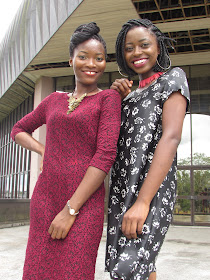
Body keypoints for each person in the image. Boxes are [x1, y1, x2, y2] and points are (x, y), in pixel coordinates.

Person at [11, 22, 121, 280]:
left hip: (84, 205)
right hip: (45, 198)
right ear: (71, 59)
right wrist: (43, 149)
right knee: (38, 271)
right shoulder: (53, 101)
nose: (91, 64)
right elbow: (18, 130)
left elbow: (105, 156)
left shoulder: (108, 99)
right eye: (83, 57)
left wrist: (70, 210)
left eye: (99, 58)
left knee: (75, 272)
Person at [105, 19, 190, 280]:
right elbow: (107, 141)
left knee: (128, 269)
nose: (137, 53)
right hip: (121, 190)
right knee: (140, 264)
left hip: (151, 191)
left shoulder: (172, 78)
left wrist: (143, 202)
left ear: (158, 47)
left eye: (144, 45)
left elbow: (171, 138)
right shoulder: (128, 96)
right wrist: (113, 101)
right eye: (129, 48)